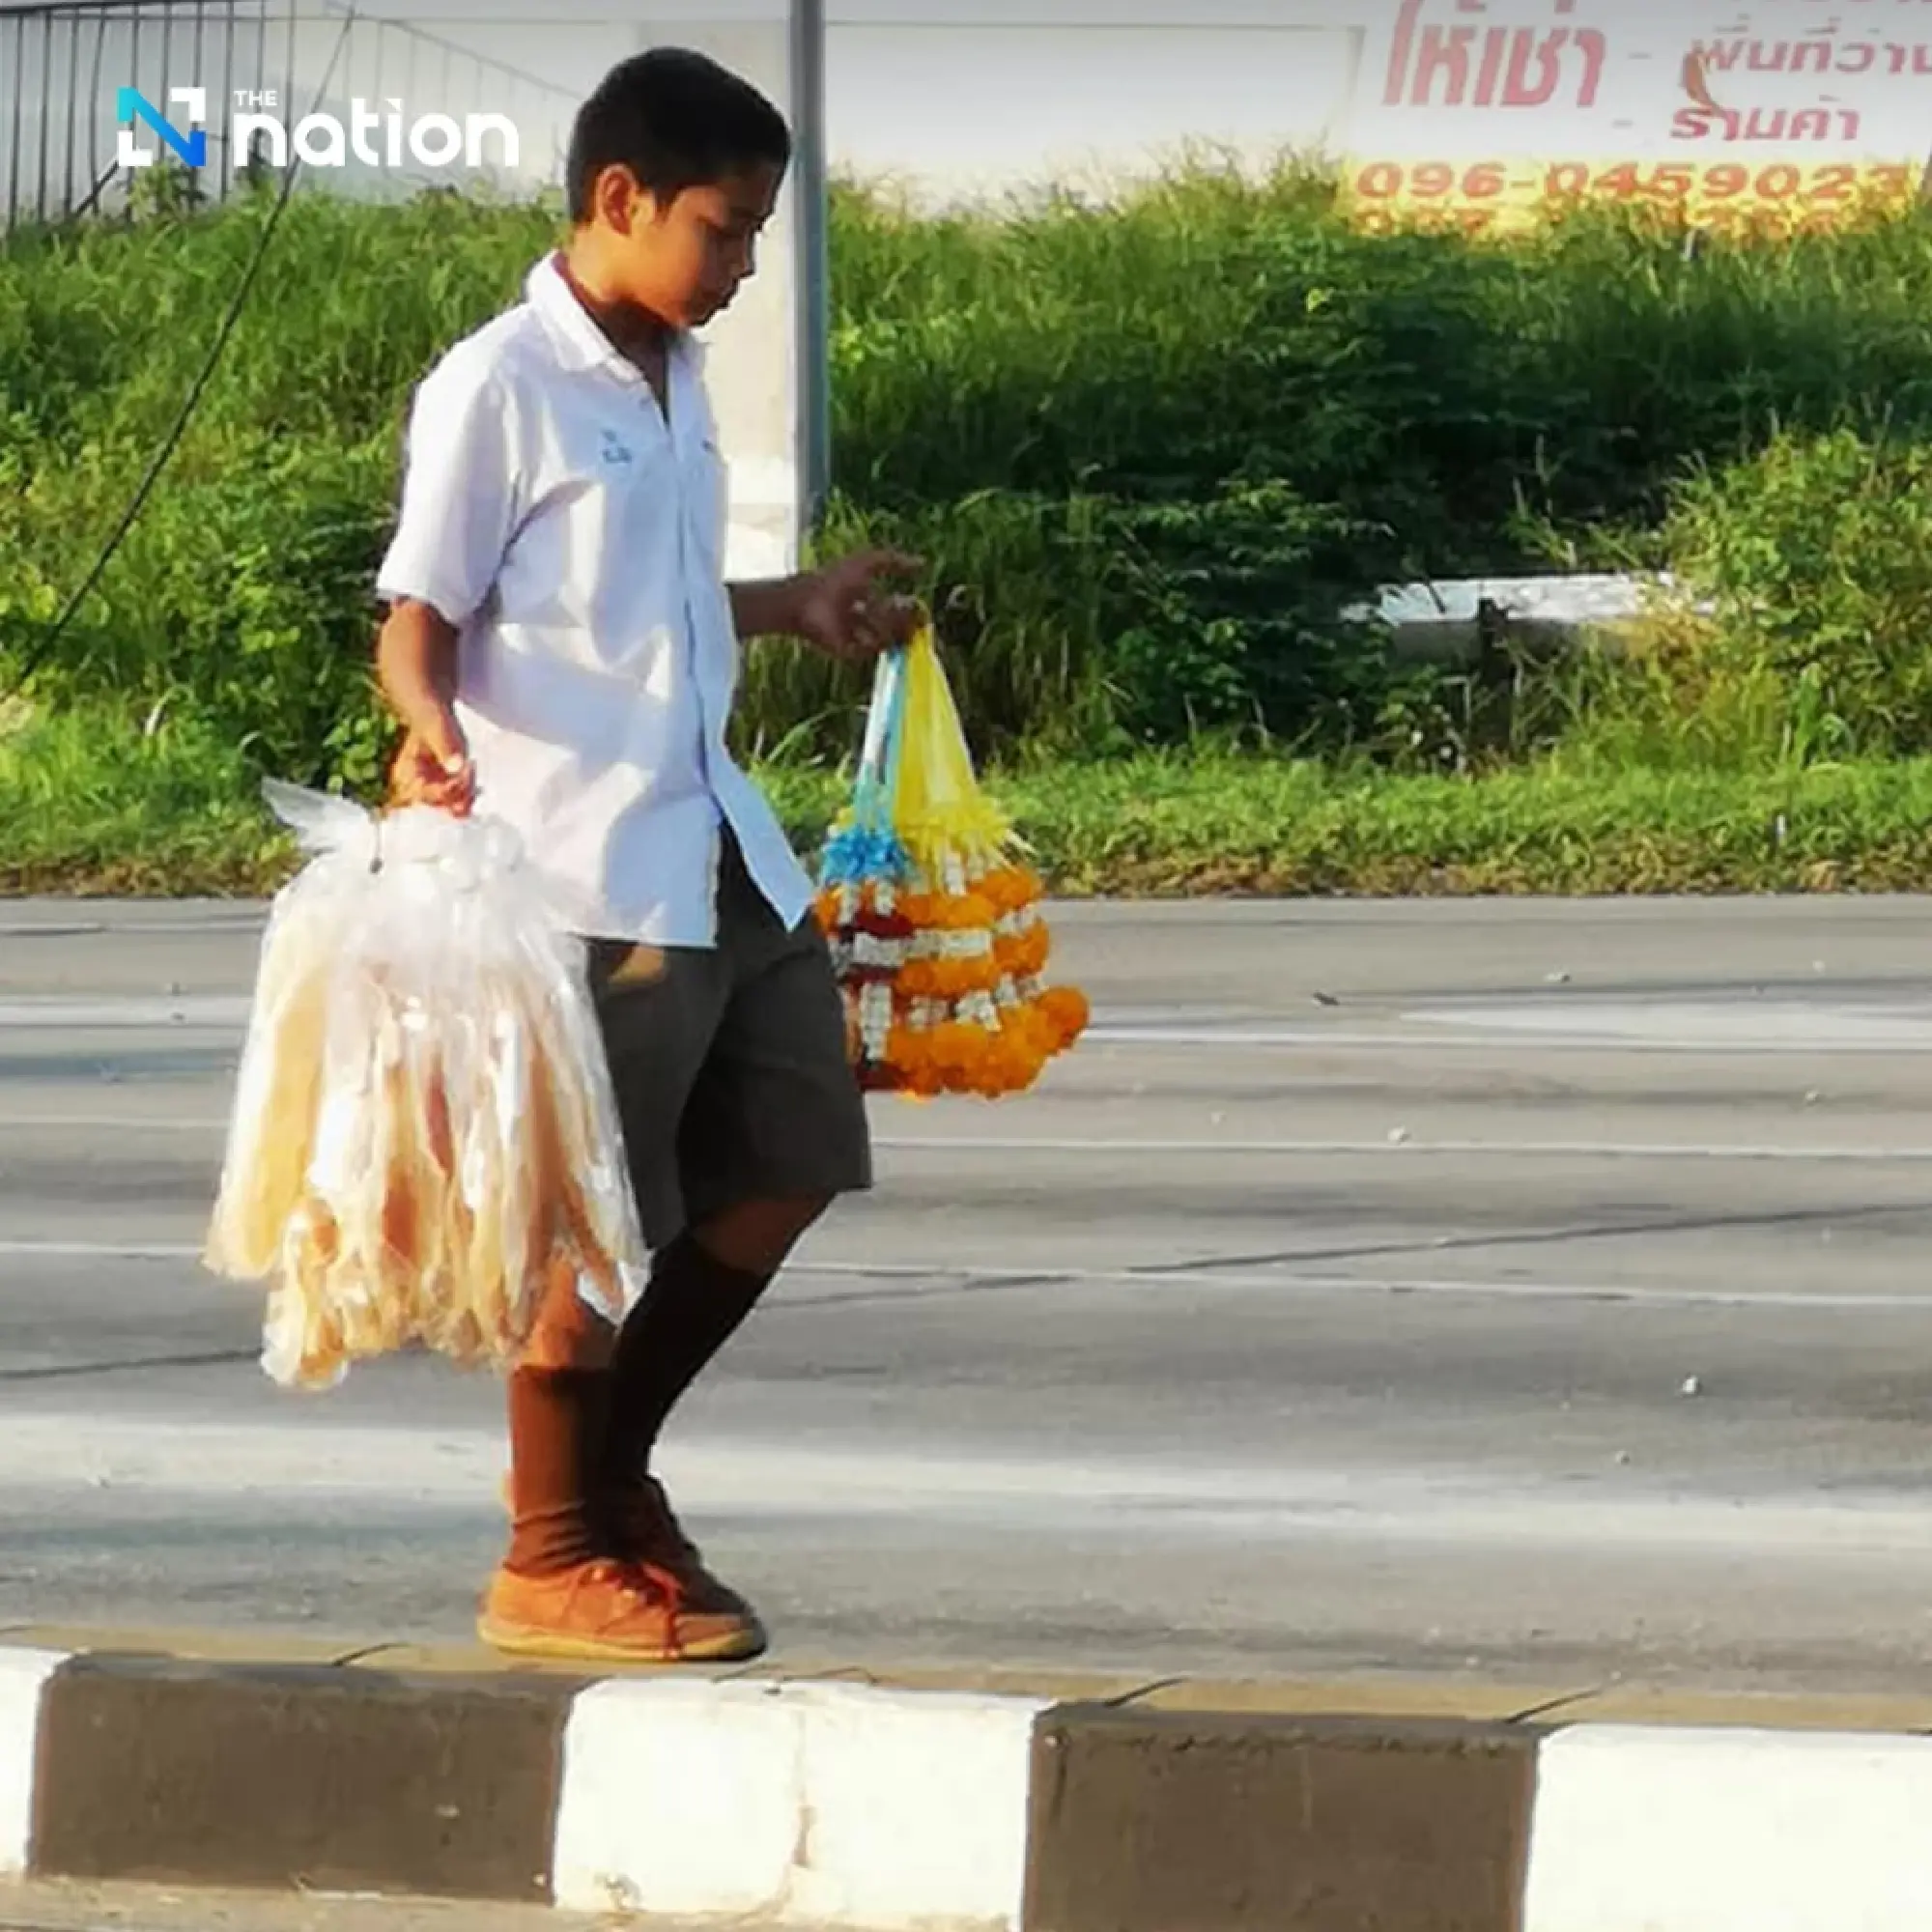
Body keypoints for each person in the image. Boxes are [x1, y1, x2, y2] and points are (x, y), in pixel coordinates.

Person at [372, 44, 919, 1662]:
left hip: (715, 838)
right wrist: (428, 724)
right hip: (582, 862)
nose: (741, 266)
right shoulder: (499, 384)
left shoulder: (673, 375)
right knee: (592, 1225)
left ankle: (610, 1480)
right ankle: (548, 1553)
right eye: (723, 229)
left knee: (792, 1161)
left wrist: (792, 603)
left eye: (754, 234)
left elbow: (651, 601)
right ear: (621, 197)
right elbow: (419, 615)